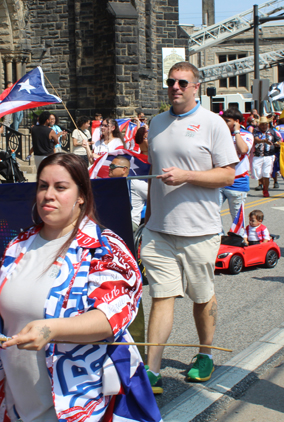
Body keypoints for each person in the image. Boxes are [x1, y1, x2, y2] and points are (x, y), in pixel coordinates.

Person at [0, 153, 159, 422]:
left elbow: (110, 318)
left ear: (81, 195)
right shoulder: (18, 246)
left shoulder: (105, 248)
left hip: (80, 405)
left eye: (61, 187)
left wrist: (51, 329)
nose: (48, 194)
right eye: (43, 186)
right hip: (16, 404)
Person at [141, 62, 238, 394]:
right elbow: (155, 173)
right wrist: (148, 216)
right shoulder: (156, 123)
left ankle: (205, 353)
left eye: (182, 82)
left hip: (200, 229)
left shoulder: (212, 124)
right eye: (170, 82)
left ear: (197, 86)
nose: (175, 87)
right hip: (159, 229)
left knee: (201, 296)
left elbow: (227, 176)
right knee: (161, 295)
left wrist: (187, 176)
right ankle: (152, 370)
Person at [220, 108, 254, 223]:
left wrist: (237, 132)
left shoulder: (246, 135)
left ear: (237, 122)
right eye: (223, 120)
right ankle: (219, 236)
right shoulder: (221, 135)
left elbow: (243, 150)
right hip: (220, 181)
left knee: (237, 218)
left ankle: (238, 238)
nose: (224, 123)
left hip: (237, 183)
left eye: (227, 121)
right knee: (211, 212)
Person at [252, 116, 281, 197]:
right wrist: (263, 141)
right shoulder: (255, 131)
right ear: (259, 125)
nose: (264, 126)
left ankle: (266, 190)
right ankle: (261, 183)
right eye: (262, 124)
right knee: (258, 173)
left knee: (266, 173)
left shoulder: (272, 131)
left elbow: (278, 140)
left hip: (269, 156)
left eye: (265, 124)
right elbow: (255, 139)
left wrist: (277, 143)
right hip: (258, 156)